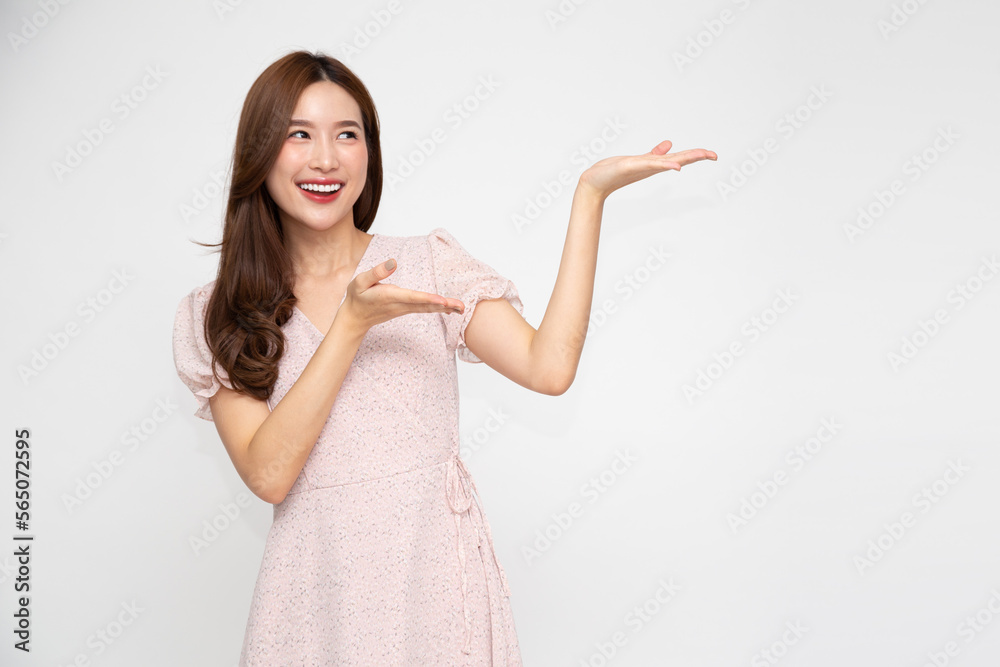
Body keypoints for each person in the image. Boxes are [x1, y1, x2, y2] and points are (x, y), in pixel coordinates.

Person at [171, 50, 716, 666]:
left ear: (369, 154)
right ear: (261, 151)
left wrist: (589, 199)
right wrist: (351, 323)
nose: (325, 158)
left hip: (435, 593)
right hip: (312, 609)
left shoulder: (428, 264)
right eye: (299, 134)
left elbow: (548, 365)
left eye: (346, 135)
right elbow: (269, 476)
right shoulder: (220, 311)